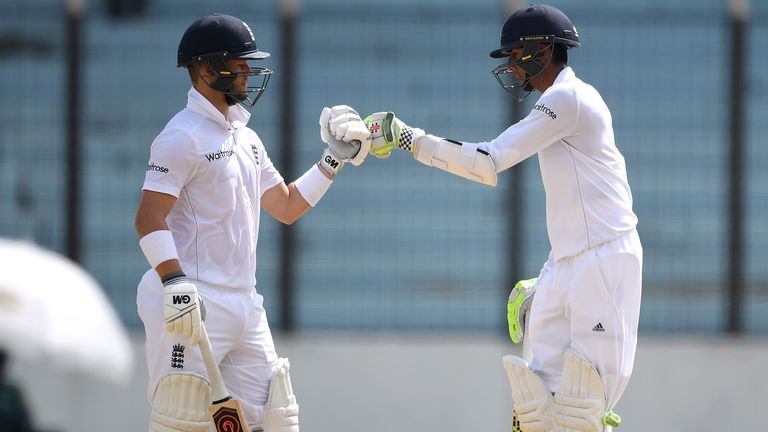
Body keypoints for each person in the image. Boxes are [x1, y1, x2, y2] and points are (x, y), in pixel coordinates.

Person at [334, 4, 642, 431]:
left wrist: (405, 137)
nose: (513, 67)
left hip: (606, 260)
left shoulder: (570, 98)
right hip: (569, 261)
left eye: (517, 56)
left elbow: (490, 160)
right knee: (538, 409)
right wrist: (557, 271)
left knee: (583, 409)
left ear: (542, 50)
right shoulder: (557, 102)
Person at [134, 13, 370, 432]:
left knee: (277, 419)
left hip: (244, 301)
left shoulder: (246, 138)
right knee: (180, 418)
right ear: (206, 69)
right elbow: (149, 218)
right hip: (192, 300)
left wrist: (333, 158)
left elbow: (287, 205)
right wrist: (174, 283)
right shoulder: (180, 137)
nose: (248, 74)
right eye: (239, 65)